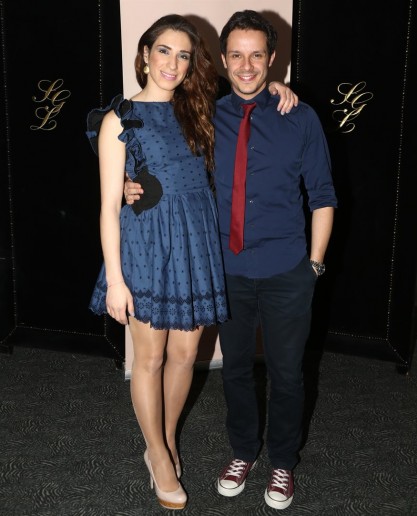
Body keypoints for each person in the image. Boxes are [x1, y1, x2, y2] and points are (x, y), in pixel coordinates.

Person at [126, 9, 337, 512]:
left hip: (288, 269)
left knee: (287, 373)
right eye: (237, 55)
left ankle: (282, 461)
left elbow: (323, 196)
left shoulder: (300, 117)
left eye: (256, 55)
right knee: (236, 369)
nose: (246, 66)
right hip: (225, 269)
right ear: (222, 59)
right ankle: (243, 452)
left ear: (272, 58)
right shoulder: (202, 115)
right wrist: (130, 185)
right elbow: (151, 143)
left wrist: (314, 265)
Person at [87, 13, 296, 511]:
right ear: (144, 54)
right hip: (146, 247)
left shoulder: (200, 107)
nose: (173, 63)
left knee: (185, 356)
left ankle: (163, 439)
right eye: (164, 50)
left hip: (195, 245)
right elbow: (108, 207)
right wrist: (115, 280)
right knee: (150, 358)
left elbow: (249, 86)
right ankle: (159, 455)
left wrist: (281, 88)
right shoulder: (120, 119)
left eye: (183, 55)